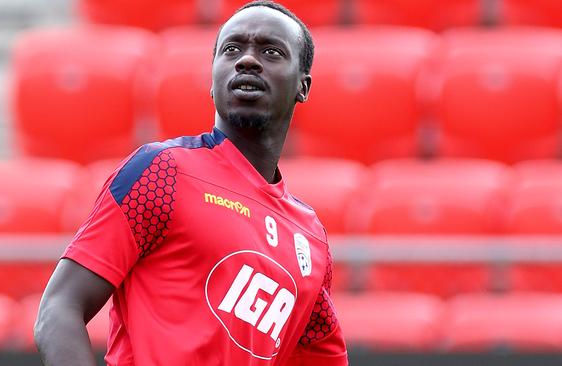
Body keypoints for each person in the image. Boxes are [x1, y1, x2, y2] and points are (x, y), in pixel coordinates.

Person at [34, 1, 348, 365]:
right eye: (231, 49)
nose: (247, 60)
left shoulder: (311, 240)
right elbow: (59, 309)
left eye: (271, 51)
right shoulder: (161, 172)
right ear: (212, 79)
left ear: (303, 86)